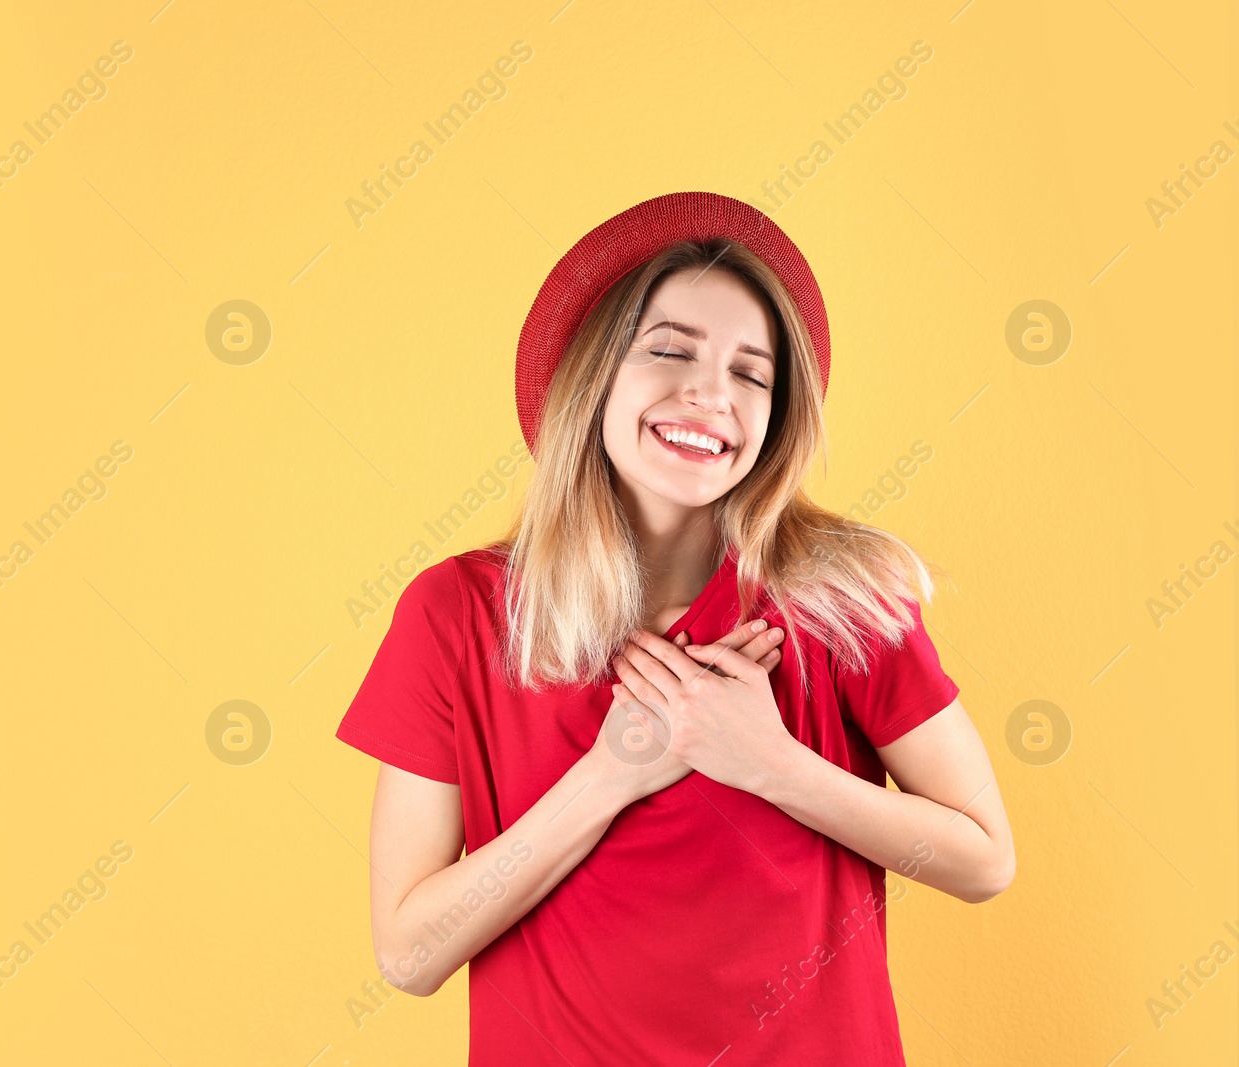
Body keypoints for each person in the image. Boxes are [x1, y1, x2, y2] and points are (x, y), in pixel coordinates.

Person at [335, 191, 1016, 1065]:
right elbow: (407, 952)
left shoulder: (837, 597)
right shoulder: (456, 613)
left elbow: (984, 858)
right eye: (669, 350)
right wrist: (611, 774)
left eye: (751, 371)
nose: (710, 395)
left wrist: (769, 762)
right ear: (595, 375)